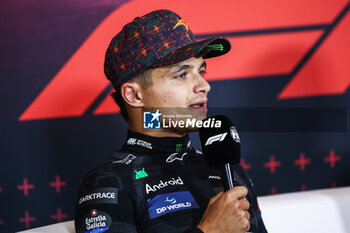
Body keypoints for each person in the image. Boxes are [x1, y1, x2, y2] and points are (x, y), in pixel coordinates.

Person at [74, 9, 268, 233]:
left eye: (201, 72)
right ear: (134, 96)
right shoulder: (109, 182)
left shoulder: (228, 169)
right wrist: (209, 231)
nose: (204, 86)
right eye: (181, 75)